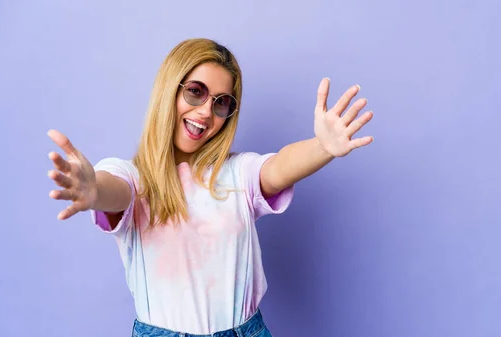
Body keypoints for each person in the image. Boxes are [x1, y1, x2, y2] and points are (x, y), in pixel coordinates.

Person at [46, 38, 373, 337]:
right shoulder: (132, 177)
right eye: (195, 91)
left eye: (221, 103)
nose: (205, 112)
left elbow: (277, 169)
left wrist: (322, 147)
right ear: (169, 91)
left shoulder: (236, 173)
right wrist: (93, 192)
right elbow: (113, 190)